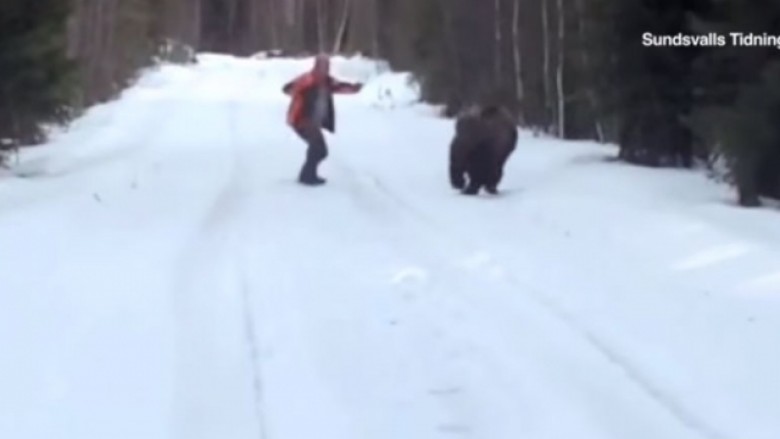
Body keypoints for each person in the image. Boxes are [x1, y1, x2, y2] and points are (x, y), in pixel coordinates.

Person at [282, 54, 363, 185]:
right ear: (316, 66)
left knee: (318, 149)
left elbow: (340, 87)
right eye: (322, 66)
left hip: (313, 122)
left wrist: (355, 88)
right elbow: (287, 88)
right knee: (319, 149)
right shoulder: (307, 79)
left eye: (327, 66)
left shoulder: (326, 81)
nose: (325, 69)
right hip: (302, 120)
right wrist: (297, 90)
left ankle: (307, 175)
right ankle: (307, 176)